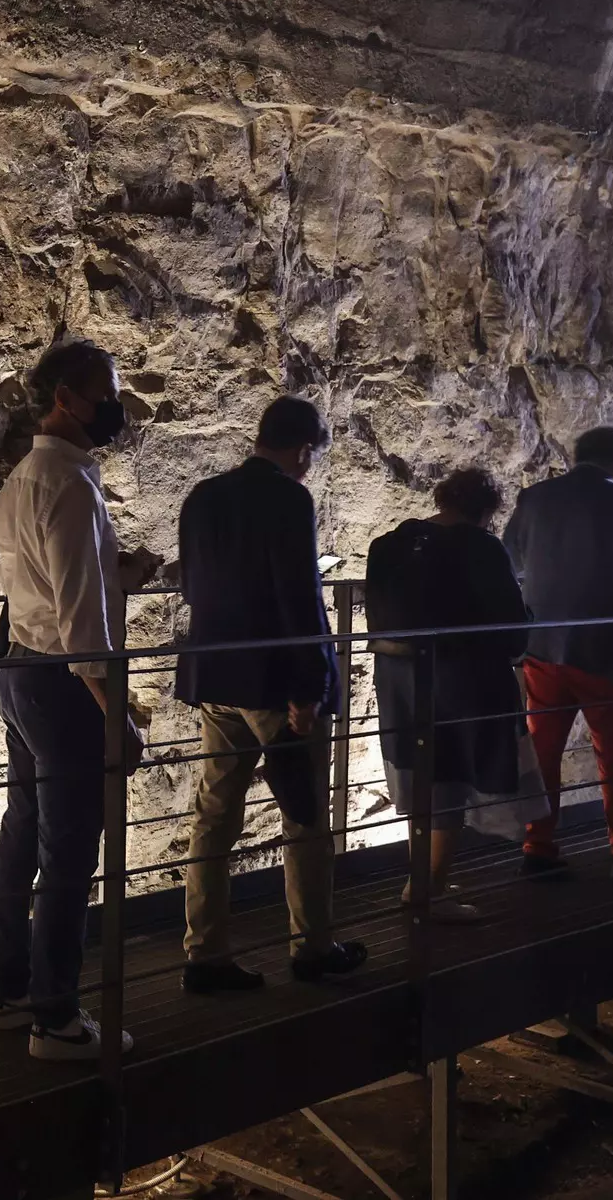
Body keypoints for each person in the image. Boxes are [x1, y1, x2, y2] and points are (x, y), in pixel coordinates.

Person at [0, 340, 156, 1061]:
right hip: (61, 682)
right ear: (67, 400)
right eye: (107, 392)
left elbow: (50, 583)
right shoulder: (73, 485)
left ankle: (10, 990)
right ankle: (55, 1019)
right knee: (69, 851)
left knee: (22, 831)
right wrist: (117, 716)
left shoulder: (24, 475)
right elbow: (83, 624)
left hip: (19, 668)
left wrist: (119, 572)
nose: (119, 406)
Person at [176, 395, 369, 993]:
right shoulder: (289, 498)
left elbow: (191, 585)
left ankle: (203, 952)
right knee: (305, 816)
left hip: (215, 677)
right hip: (275, 687)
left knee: (213, 816)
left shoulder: (202, 496)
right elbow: (298, 594)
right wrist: (310, 685)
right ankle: (312, 947)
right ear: (303, 449)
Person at [365, 469, 550, 921]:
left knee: (425, 775)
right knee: (448, 777)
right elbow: (511, 632)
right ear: (486, 511)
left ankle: (422, 882)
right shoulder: (481, 547)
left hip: (398, 679)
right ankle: (429, 893)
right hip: (460, 679)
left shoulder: (389, 544)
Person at [503, 426, 613, 879]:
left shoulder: (535, 498)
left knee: (542, 751)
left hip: (543, 650)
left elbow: (509, 561)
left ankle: (537, 846)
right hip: (607, 652)